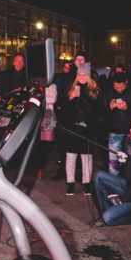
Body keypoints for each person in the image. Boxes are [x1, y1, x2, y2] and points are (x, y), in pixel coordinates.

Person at [56, 62, 99, 196]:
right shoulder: (71, 89)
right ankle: (70, 184)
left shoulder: (94, 91)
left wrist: (84, 98)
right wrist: (70, 98)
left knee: (86, 158)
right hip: (72, 128)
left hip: (87, 129)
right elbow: (62, 110)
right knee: (71, 157)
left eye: (84, 74)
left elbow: (96, 111)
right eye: (79, 74)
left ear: (89, 76)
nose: (81, 77)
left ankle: (86, 184)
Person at [101, 72, 131, 175]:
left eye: (121, 87)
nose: (119, 90)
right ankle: (113, 183)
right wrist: (110, 108)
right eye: (116, 87)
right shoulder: (108, 93)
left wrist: (127, 108)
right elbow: (102, 112)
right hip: (114, 131)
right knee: (113, 161)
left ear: (126, 82)